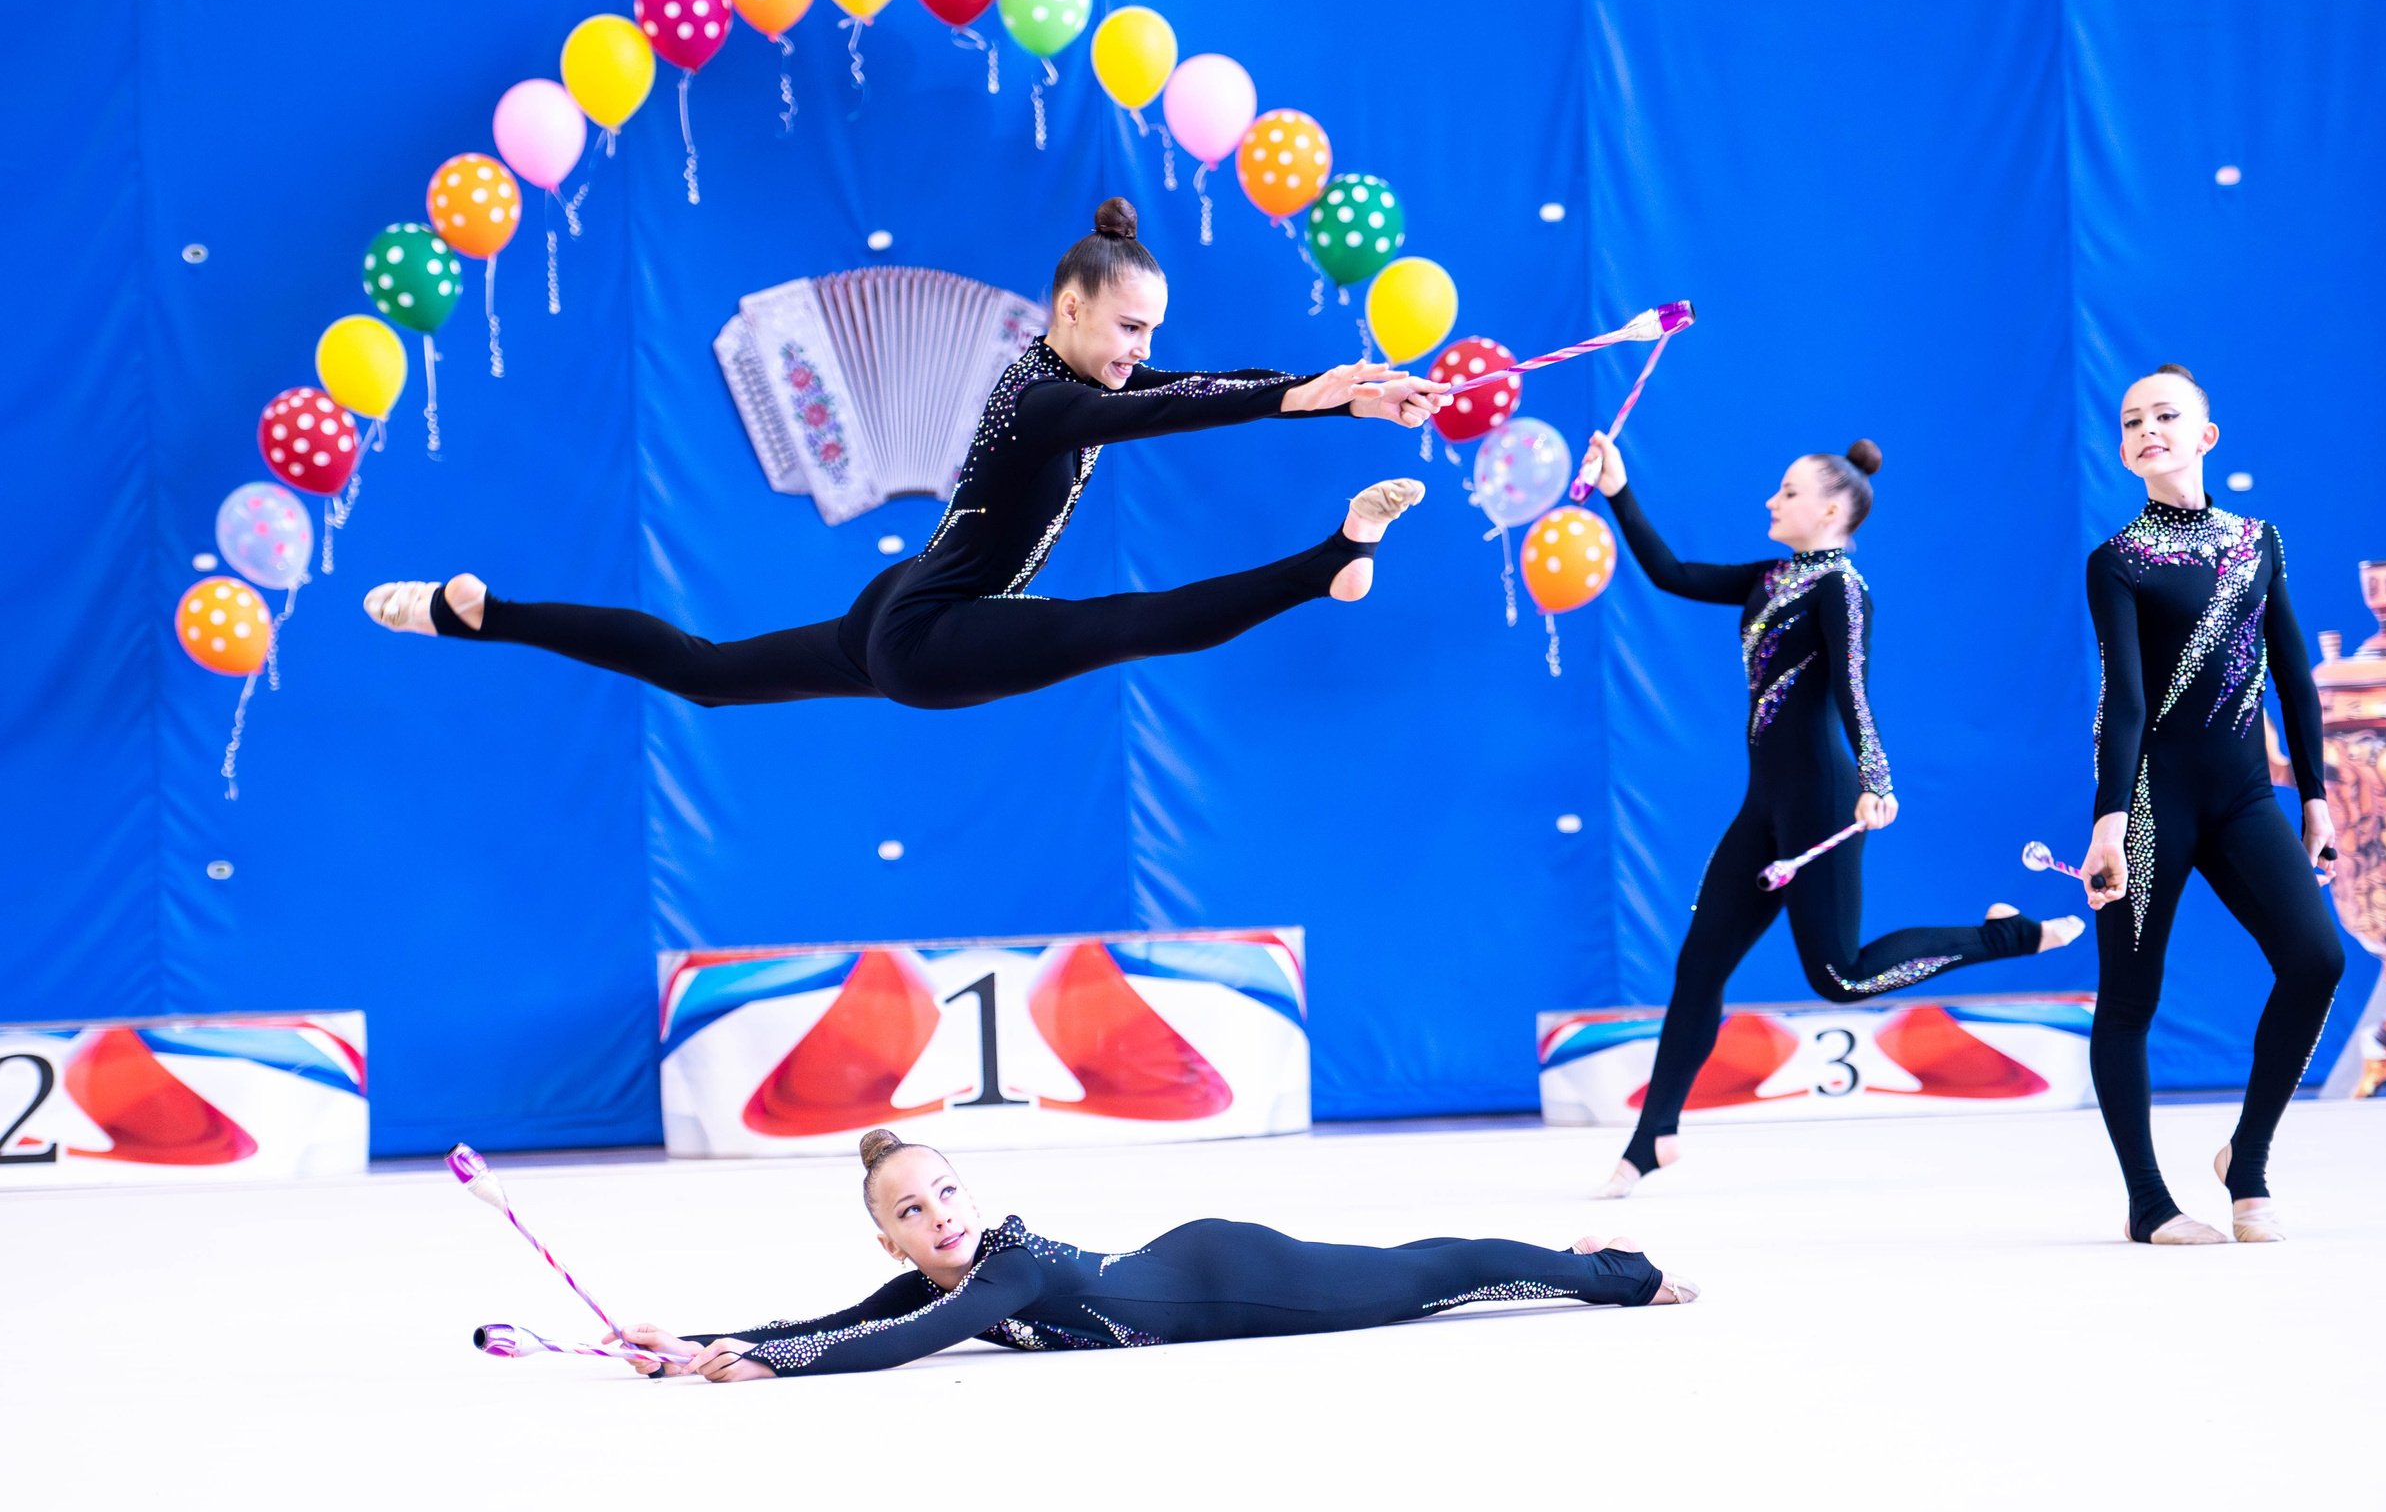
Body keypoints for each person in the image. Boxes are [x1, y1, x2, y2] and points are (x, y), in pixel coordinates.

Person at [362, 198, 1447, 710]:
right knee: (1127, 622)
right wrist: (1300, 396)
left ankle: (478, 616)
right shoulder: (1045, 401)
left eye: (1151, 330)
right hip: (929, 633)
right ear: (1069, 307)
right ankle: (1329, 562)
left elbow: (1185, 385)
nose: (1141, 349)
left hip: (900, 606)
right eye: (1128, 327)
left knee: (704, 673)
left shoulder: (1061, 375)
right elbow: (1161, 413)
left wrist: (1339, 398)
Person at [1576, 430, 2084, 1200]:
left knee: (1841, 976)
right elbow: (1671, 573)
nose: (1771, 501)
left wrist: (1876, 779)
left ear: (1831, 509)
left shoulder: (1842, 587)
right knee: (1699, 965)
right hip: (1763, 803)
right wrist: (1619, 489)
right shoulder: (1771, 576)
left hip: (1820, 800)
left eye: (1787, 491)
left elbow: (1853, 686)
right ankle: (1653, 1138)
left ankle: (2007, 933)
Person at [612, 1130, 1697, 1380]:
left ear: (969, 1196)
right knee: (1427, 1267)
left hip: (1241, 1280)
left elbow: (905, 1342)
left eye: (946, 1191)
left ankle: (1618, 1271)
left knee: (1432, 1275)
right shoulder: (929, 1278)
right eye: (911, 1209)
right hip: (1187, 1265)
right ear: (888, 1235)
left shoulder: (1006, 1267)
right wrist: (695, 1341)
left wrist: (770, 1366)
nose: (937, 1214)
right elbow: (838, 1321)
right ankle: (1580, 1252)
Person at [2080, 364, 2341, 1246]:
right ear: (2124, 449)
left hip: (2243, 797)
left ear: (2206, 436)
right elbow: (2123, 699)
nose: (2147, 429)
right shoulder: (2117, 561)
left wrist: (2315, 797)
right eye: (2132, 421)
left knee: (2317, 959)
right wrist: (2109, 820)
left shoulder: (2258, 541)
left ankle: (2248, 1159)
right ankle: (2148, 1202)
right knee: (2129, 999)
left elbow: (2295, 677)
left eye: (2166, 415)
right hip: (2151, 802)